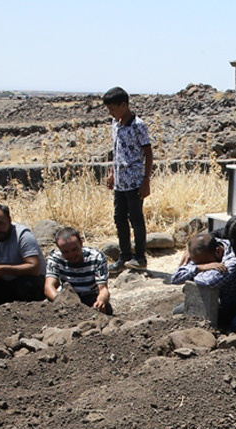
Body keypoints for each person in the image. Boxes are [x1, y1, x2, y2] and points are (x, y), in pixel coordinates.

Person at [103, 87, 154, 271]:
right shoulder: (115, 123)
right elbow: (116, 151)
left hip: (134, 181)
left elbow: (148, 153)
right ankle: (124, 256)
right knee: (119, 218)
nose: (111, 112)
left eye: (113, 108)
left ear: (124, 105)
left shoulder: (138, 125)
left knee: (136, 219)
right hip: (120, 182)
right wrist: (111, 173)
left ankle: (140, 257)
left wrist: (146, 179)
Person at [169, 232, 236, 327]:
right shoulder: (204, 251)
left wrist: (193, 273)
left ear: (218, 251)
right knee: (177, 312)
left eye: (205, 263)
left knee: (234, 326)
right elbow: (175, 277)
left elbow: (210, 281)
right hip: (219, 300)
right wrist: (199, 268)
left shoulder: (235, 258)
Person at [44, 227, 111, 314]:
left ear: (81, 243)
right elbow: (49, 287)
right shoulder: (55, 257)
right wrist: (60, 301)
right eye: (66, 252)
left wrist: (101, 301)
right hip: (67, 297)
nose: (71, 255)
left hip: (90, 296)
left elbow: (103, 289)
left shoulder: (96, 257)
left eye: (74, 249)